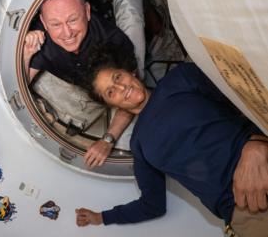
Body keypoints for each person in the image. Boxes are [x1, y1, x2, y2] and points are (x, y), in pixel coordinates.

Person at [75, 45, 268, 237]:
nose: (121, 87)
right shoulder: (139, 145)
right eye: (111, 92)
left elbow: (248, 98)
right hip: (246, 211)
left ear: (130, 71)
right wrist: (101, 217)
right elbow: (152, 205)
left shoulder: (180, 78)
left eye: (117, 77)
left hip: (262, 166)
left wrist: (257, 144)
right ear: (112, 105)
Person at [23, 0, 137, 168]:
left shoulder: (115, 43)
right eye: (55, 24)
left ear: (87, 11)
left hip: (98, 95)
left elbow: (132, 97)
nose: (67, 33)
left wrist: (108, 140)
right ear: (44, 23)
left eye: (73, 20)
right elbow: (19, 86)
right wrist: (27, 53)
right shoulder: (40, 40)